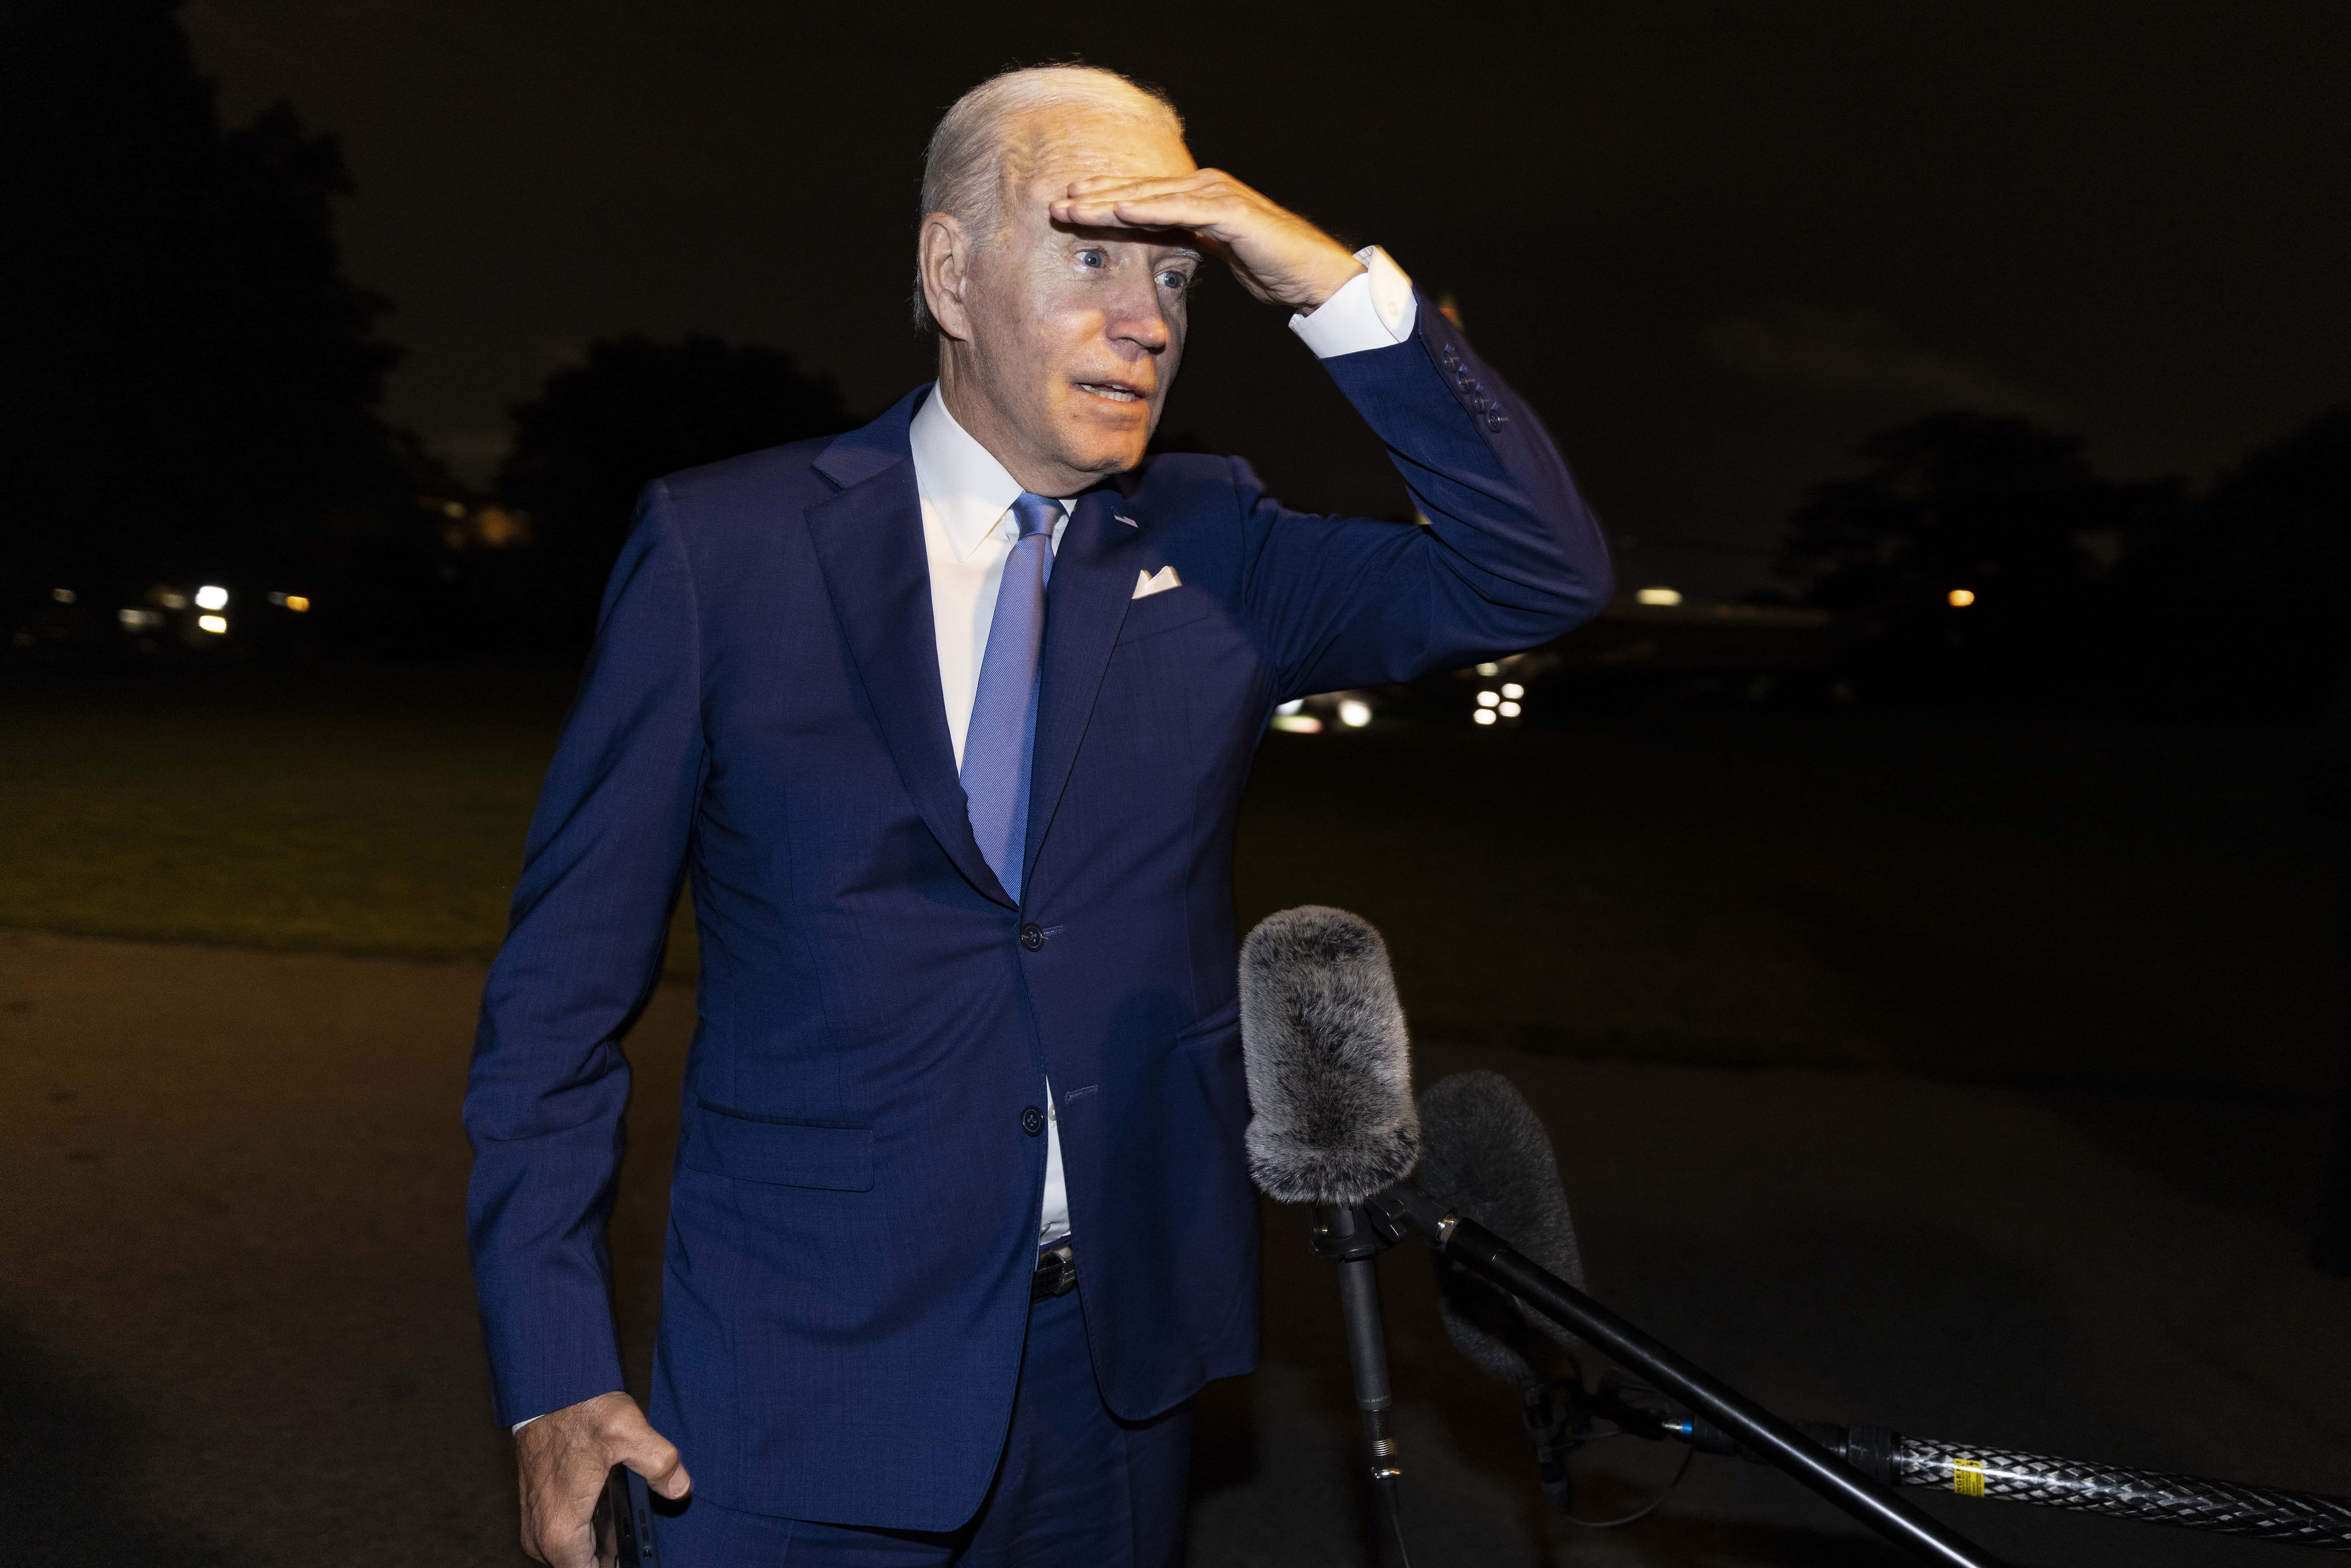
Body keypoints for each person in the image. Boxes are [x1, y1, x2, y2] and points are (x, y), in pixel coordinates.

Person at [463, 63, 1612, 1568]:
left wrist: (1323, 284)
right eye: (1091, 260)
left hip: (1112, 1382)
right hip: (799, 1378)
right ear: (951, 273)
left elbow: (1537, 575)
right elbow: (555, 1005)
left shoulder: (1218, 545)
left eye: (1176, 277)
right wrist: (555, 1378)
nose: (1147, 321)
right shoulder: (724, 549)